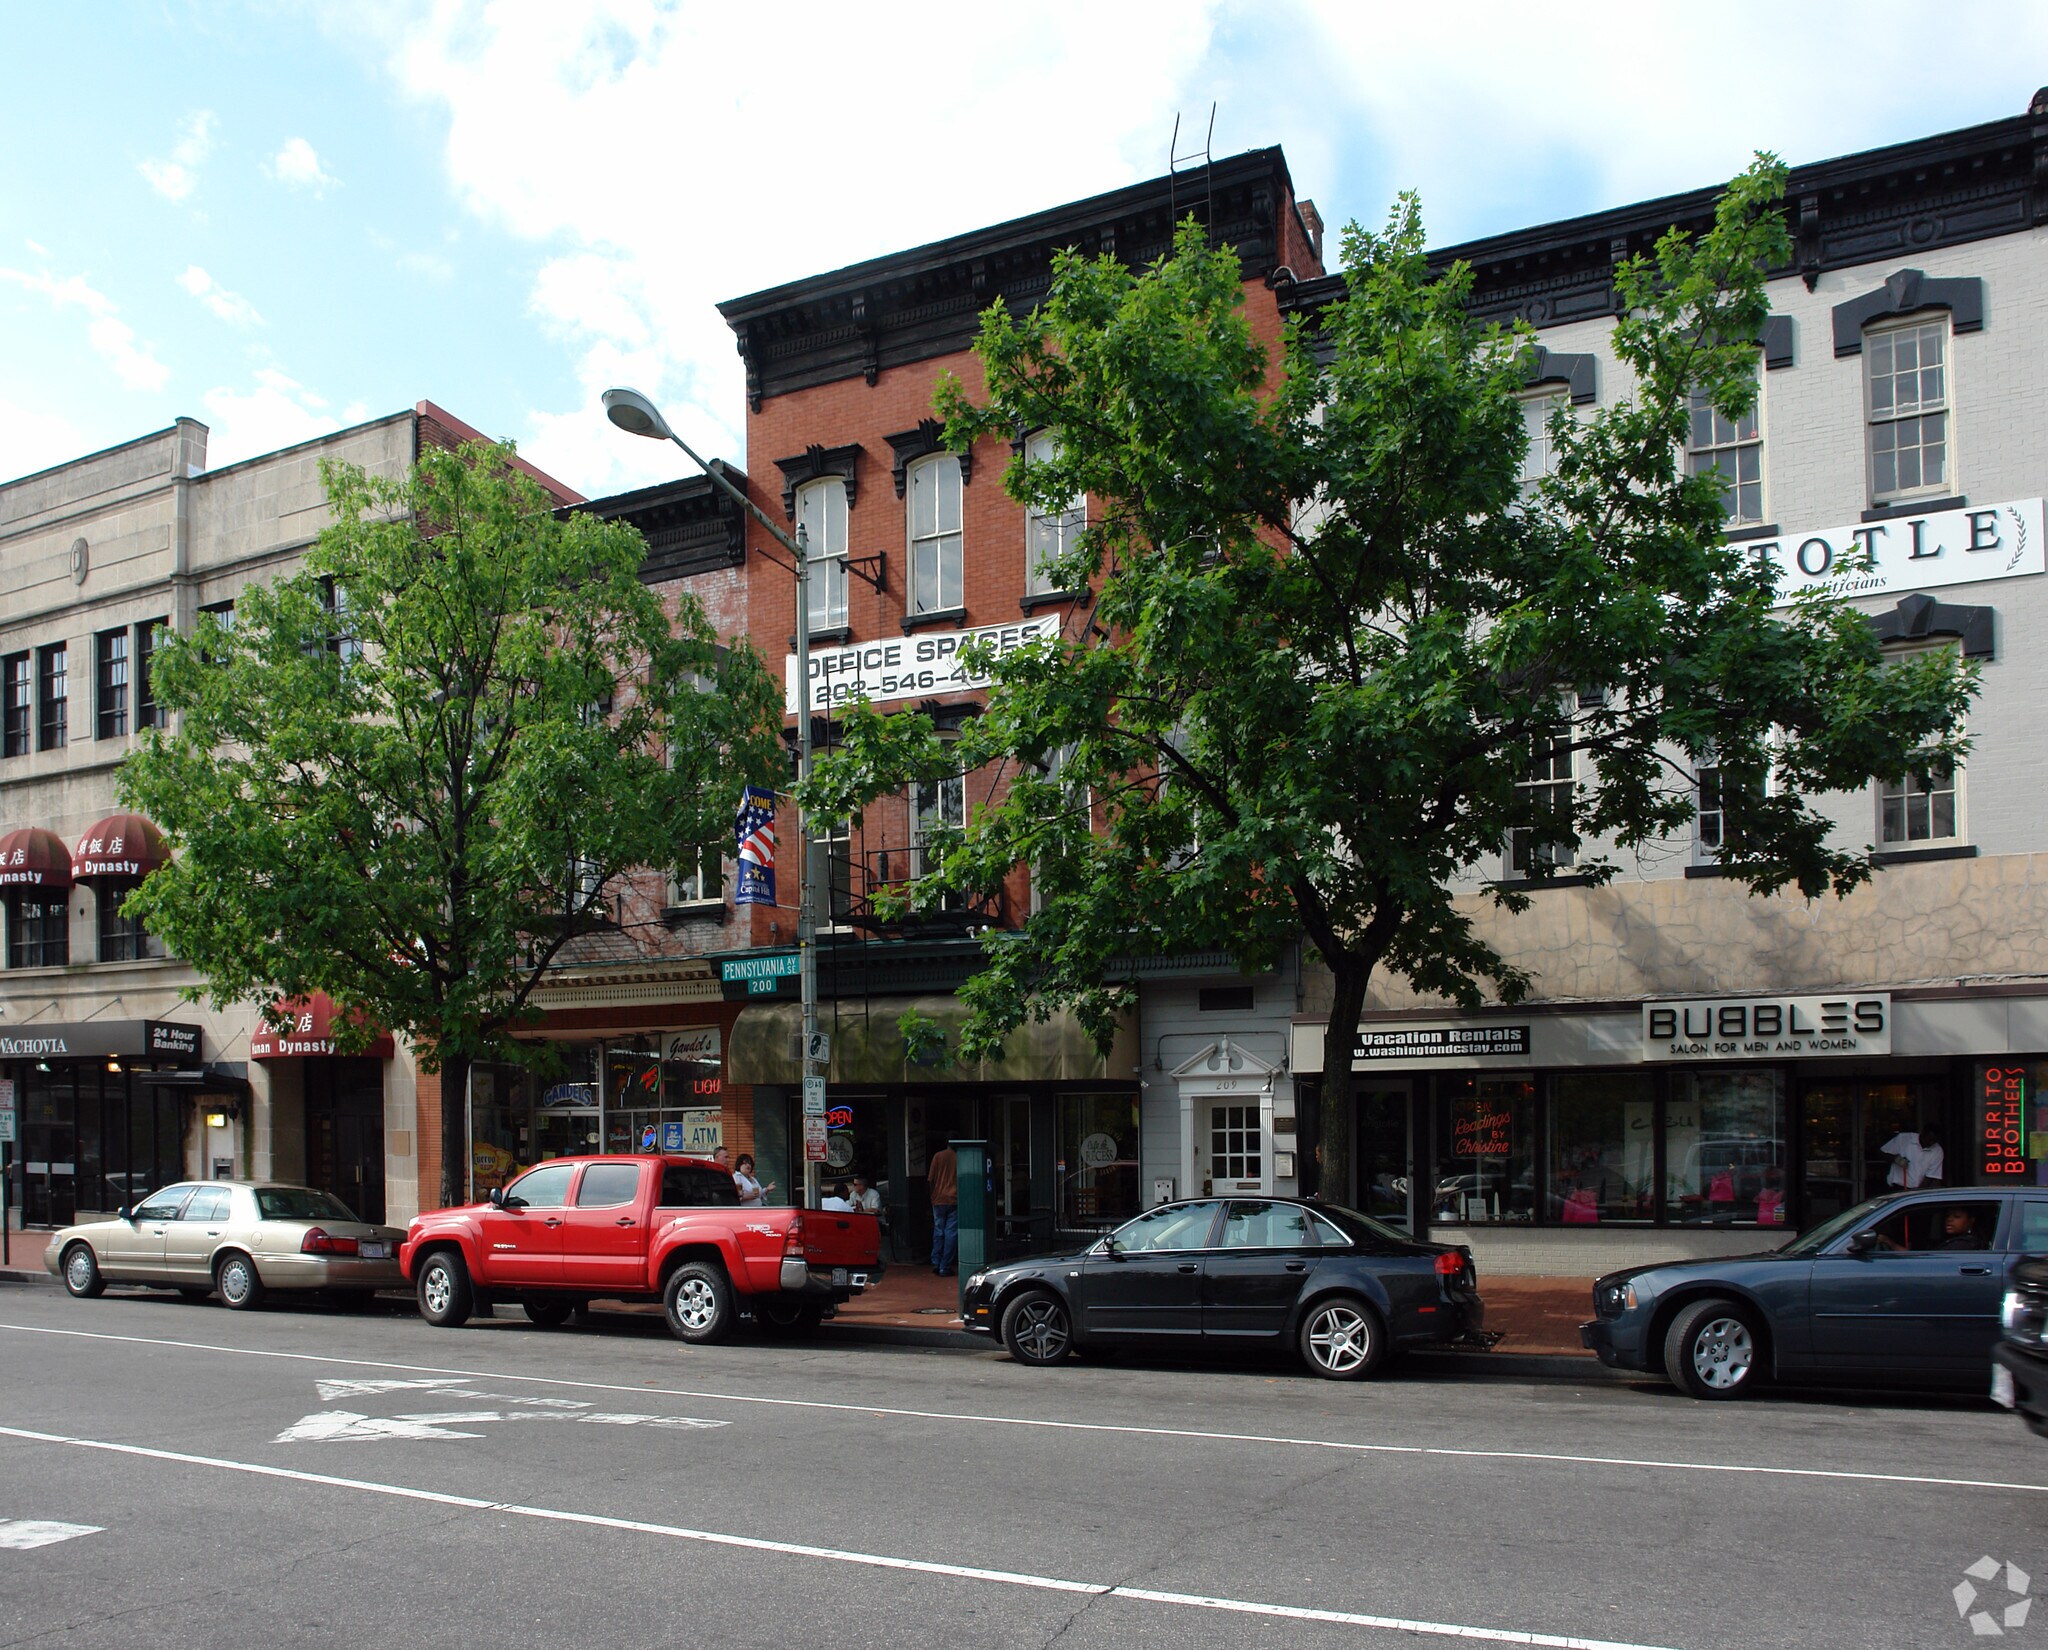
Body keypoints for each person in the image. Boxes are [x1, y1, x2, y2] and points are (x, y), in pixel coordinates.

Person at [926, 1136, 958, 1276]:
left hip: (938, 1199)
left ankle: (936, 1262)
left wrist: (932, 1196)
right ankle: (945, 1265)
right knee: (951, 1232)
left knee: (938, 1231)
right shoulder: (959, 1157)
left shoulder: (938, 1156)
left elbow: (930, 1179)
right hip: (954, 1198)